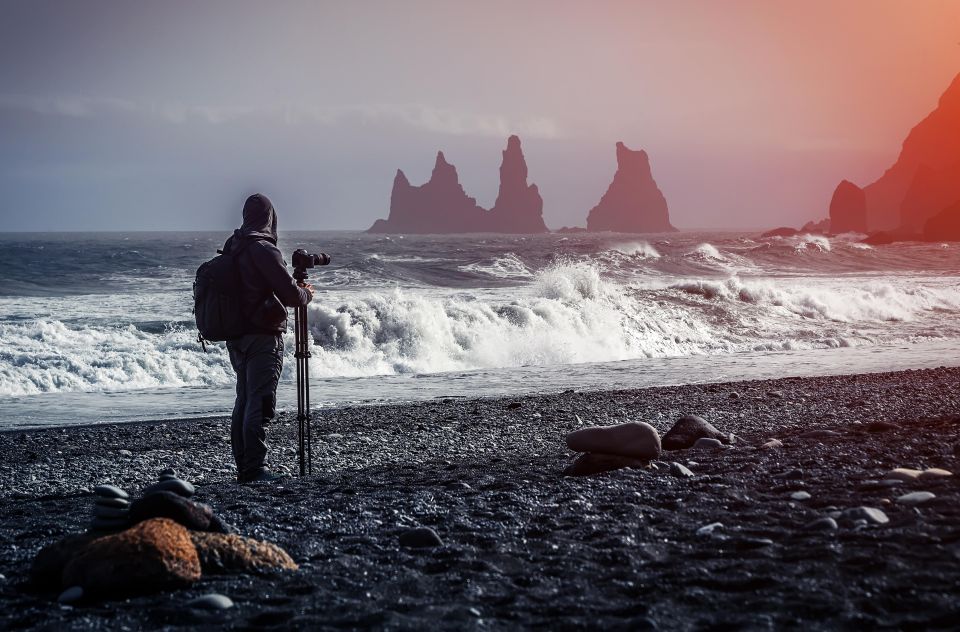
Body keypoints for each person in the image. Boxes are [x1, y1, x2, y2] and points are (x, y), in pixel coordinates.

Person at [221, 193, 312, 483]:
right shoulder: (264, 249)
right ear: (270, 218)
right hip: (262, 336)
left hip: (236, 335)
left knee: (245, 399)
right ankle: (255, 469)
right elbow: (290, 295)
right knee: (259, 401)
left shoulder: (234, 245)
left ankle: (244, 466)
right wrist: (306, 293)